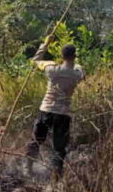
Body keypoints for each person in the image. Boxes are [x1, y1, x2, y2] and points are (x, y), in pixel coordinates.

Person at [25, 39, 84, 180]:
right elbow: (81, 71)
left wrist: (45, 45)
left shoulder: (52, 69)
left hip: (46, 109)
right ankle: (56, 176)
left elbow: (35, 61)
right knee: (59, 147)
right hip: (63, 114)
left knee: (36, 140)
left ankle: (28, 168)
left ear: (61, 55)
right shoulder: (77, 73)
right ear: (74, 56)